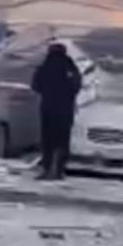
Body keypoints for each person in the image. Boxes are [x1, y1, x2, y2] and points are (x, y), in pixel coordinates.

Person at [32, 42, 83, 180]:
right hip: (65, 110)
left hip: (48, 108)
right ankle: (58, 170)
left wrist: (48, 92)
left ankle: (47, 169)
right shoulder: (70, 68)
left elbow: (35, 86)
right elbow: (77, 85)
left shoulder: (44, 67)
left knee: (48, 140)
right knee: (62, 140)